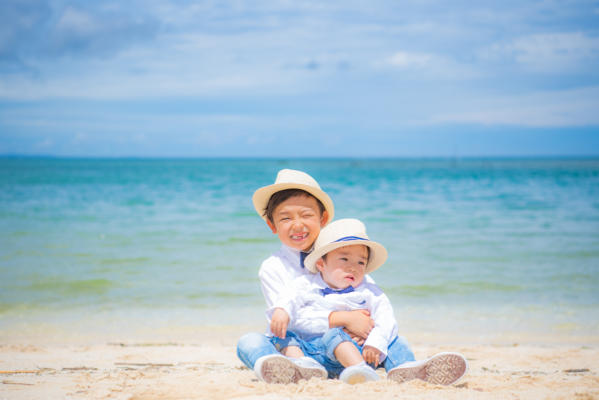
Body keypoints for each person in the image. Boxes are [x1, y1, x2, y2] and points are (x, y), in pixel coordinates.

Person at [237, 169, 401, 383]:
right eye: (285, 218)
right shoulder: (273, 267)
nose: (298, 225)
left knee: (395, 340)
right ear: (272, 225)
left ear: (323, 218)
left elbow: (369, 304)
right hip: (300, 349)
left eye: (306, 215)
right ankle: (296, 368)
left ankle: (404, 368)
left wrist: (364, 328)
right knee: (249, 342)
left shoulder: (345, 254)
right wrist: (343, 318)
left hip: (347, 348)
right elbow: (286, 323)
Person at [268, 218, 468, 385]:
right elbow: (290, 298)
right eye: (344, 259)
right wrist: (282, 310)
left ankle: (406, 368)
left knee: (396, 340)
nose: (353, 267)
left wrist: (375, 342)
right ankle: (359, 370)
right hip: (327, 352)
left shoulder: (369, 291)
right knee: (329, 335)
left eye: (361, 262)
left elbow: (385, 318)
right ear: (321, 263)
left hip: (367, 351)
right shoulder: (306, 285)